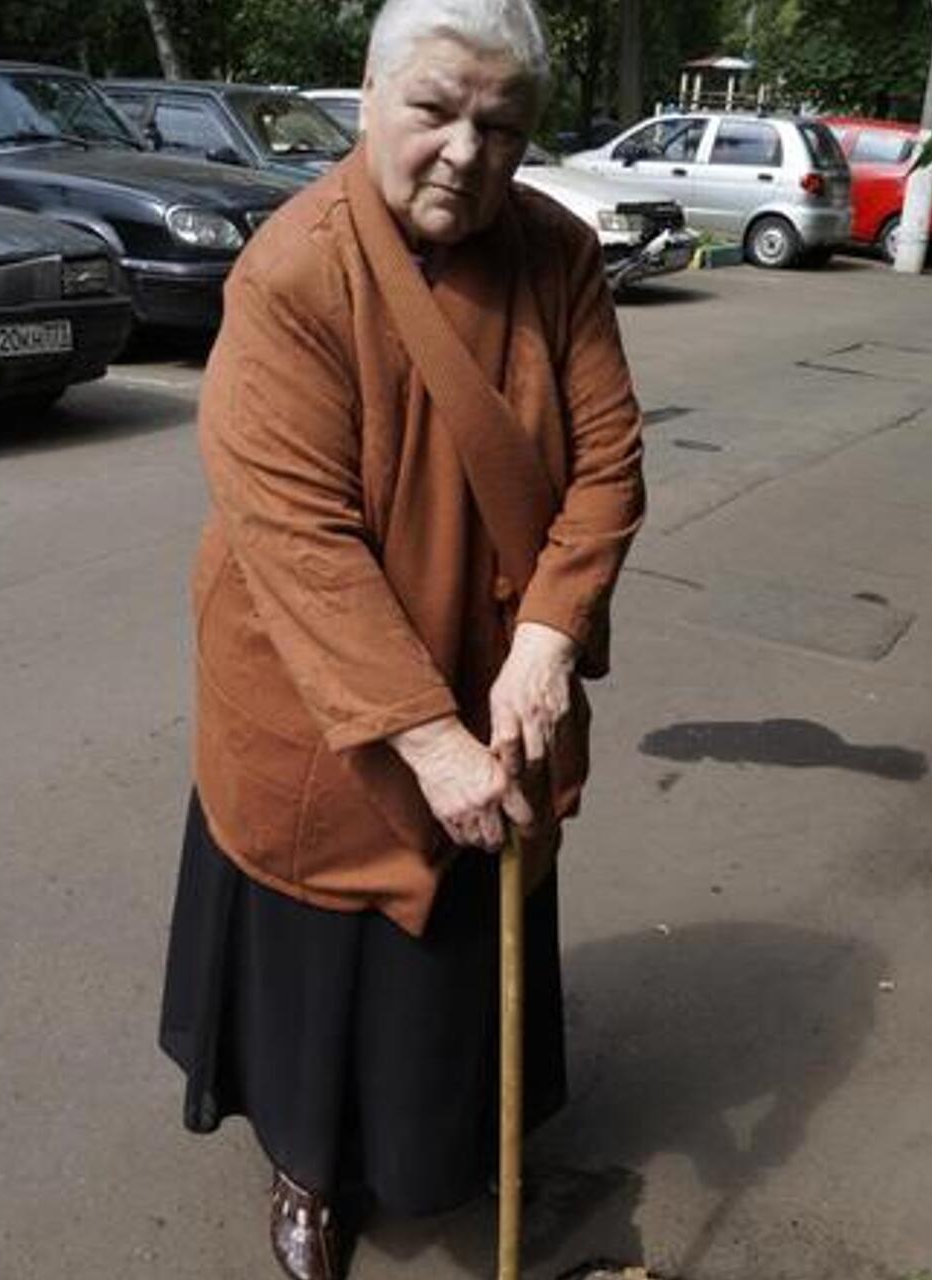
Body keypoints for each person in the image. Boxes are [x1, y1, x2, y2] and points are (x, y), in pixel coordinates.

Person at [158, 1, 645, 1277]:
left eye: (501, 125)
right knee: (327, 953)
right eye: (435, 109)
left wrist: (545, 635)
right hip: (331, 689)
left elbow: (607, 462)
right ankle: (309, 1169)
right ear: (366, 96)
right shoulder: (292, 271)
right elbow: (295, 540)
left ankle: (464, 1149)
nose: (465, 152)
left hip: (496, 671)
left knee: (471, 938)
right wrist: (425, 739)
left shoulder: (555, 254)